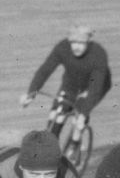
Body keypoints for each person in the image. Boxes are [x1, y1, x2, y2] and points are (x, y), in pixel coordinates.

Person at [20, 24, 111, 163]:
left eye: (81, 43)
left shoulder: (98, 54)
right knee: (57, 115)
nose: (76, 47)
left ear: (89, 42)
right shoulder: (62, 47)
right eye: (73, 42)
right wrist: (31, 93)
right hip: (71, 84)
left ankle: (73, 146)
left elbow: (95, 88)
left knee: (78, 118)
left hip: (93, 87)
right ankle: (51, 147)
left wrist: (83, 114)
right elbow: (45, 70)